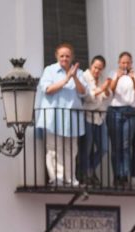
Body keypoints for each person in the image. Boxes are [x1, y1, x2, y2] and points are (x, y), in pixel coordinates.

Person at [35, 43, 87, 187]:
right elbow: (48, 89)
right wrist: (66, 79)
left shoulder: (80, 73)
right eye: (62, 55)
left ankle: (70, 178)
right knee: (53, 148)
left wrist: (74, 77)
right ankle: (56, 178)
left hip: (72, 118)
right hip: (54, 116)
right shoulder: (49, 70)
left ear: (72, 57)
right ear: (57, 56)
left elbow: (83, 92)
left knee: (71, 149)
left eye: (67, 56)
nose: (65, 58)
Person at [107, 52, 135, 187]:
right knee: (116, 145)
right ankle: (116, 175)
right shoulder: (113, 73)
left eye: (128, 62)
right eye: (123, 62)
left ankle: (124, 175)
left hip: (130, 111)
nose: (125, 65)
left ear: (131, 63)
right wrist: (117, 77)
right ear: (119, 63)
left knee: (126, 145)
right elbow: (110, 90)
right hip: (115, 110)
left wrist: (132, 79)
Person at [79, 55, 111, 186]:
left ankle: (89, 169)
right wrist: (102, 90)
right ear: (91, 65)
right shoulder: (84, 77)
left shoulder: (103, 79)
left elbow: (107, 97)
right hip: (87, 115)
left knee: (103, 147)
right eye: (95, 67)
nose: (97, 71)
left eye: (100, 68)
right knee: (86, 147)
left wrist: (107, 90)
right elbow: (88, 97)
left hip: (100, 117)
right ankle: (85, 174)